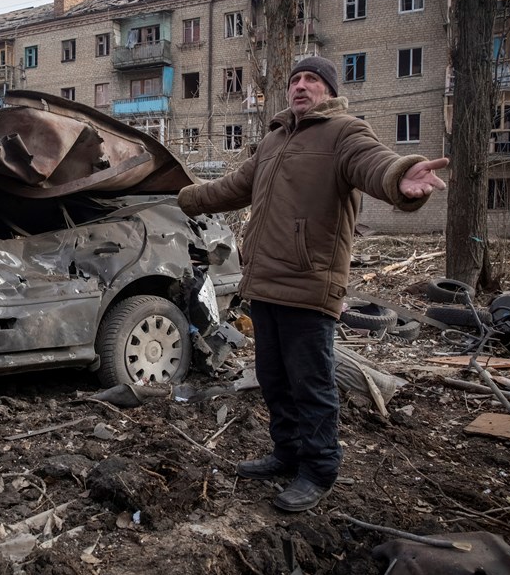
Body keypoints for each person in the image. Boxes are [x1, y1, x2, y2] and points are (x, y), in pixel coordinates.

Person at [177, 56, 449, 512]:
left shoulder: (345, 133)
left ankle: (319, 469)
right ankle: (286, 454)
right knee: (273, 378)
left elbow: (375, 164)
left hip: (309, 284)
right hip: (263, 284)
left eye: (313, 80)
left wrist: (402, 177)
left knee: (312, 383)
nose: (302, 86)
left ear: (329, 89)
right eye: (296, 79)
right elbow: (229, 187)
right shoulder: (274, 140)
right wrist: (181, 196)